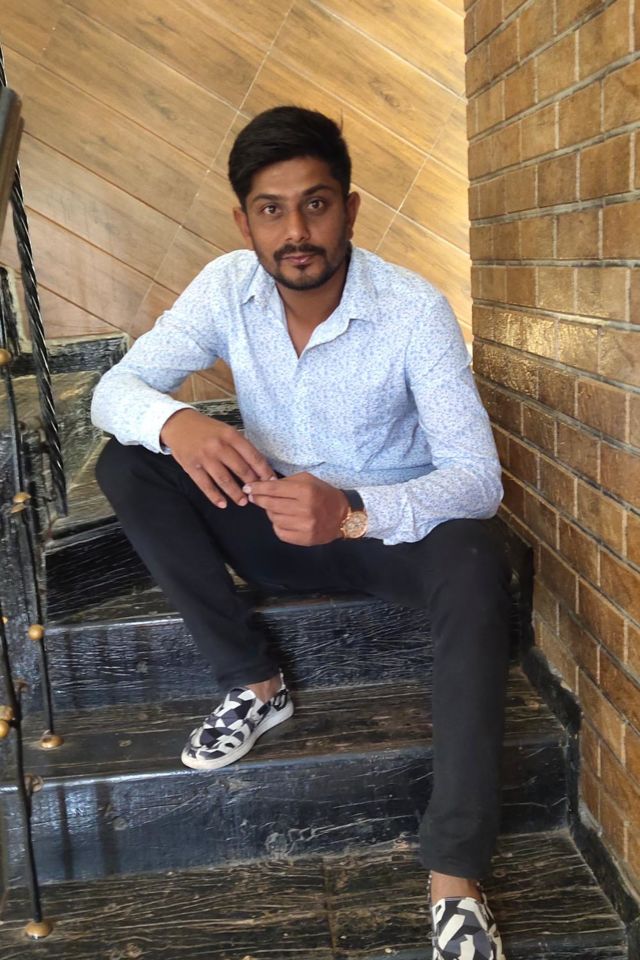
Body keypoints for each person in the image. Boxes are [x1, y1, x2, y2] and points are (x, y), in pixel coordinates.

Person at [92, 106, 511, 960]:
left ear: (349, 209)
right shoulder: (226, 287)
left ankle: (455, 878)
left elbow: (478, 477)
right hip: (269, 522)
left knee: (478, 557)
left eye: (315, 205)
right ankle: (253, 683)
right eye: (272, 210)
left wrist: (353, 509)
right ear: (243, 220)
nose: (296, 232)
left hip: (386, 536)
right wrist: (176, 422)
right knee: (128, 462)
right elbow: (113, 389)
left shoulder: (413, 309)